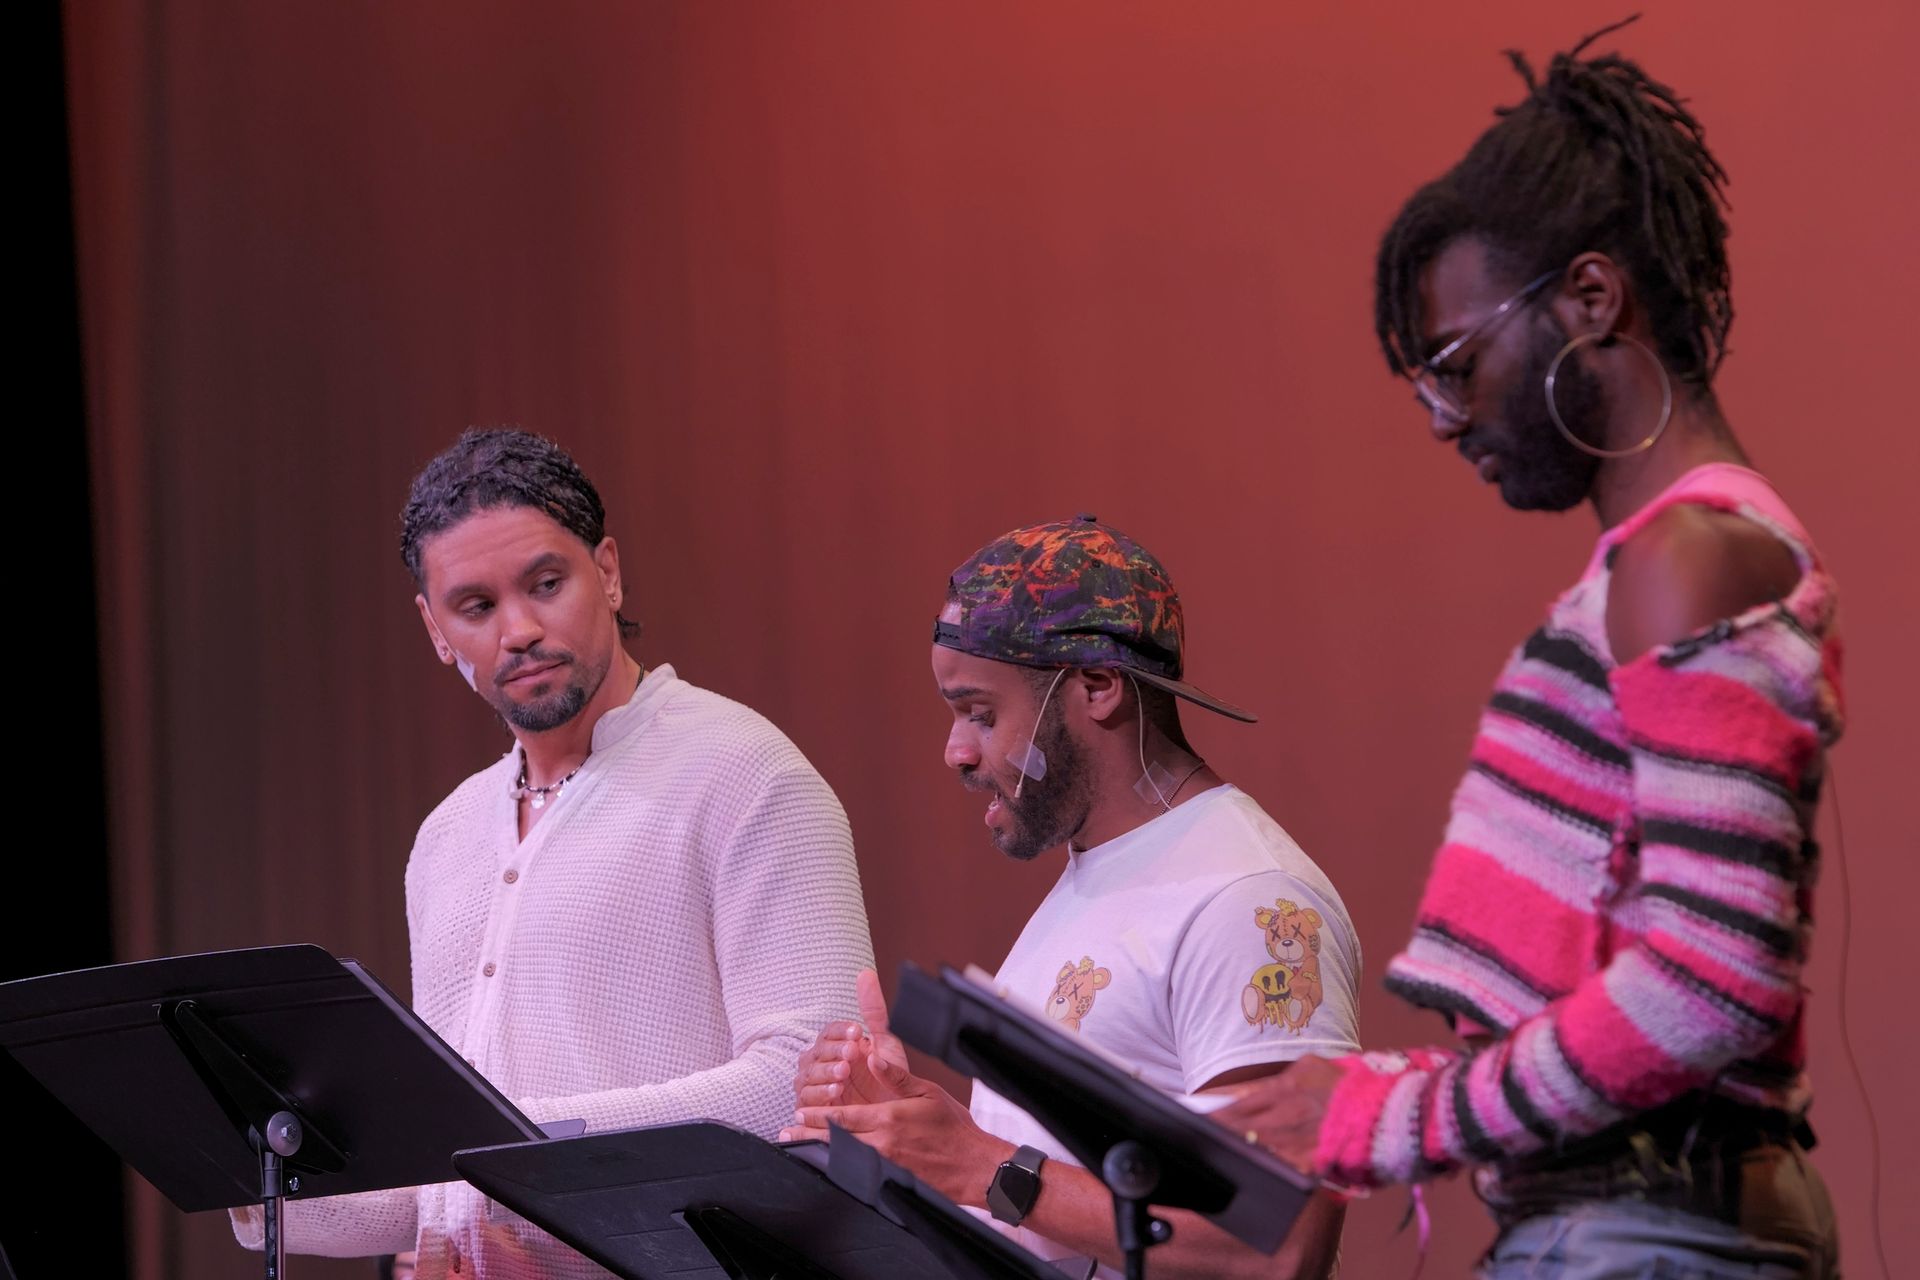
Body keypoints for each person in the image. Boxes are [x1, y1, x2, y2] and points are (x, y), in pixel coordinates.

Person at [1217, 21, 1844, 1279]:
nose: (1448, 418)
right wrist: (1375, 1087)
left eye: (1456, 361)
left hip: (1647, 1232)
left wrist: (1394, 1113)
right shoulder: (1673, 561)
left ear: (1592, 296)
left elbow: (1710, 982)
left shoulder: (1688, 560)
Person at [234, 428, 873, 1277]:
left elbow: (808, 1091)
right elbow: (445, 1168)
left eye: (546, 583)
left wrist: (516, 1151)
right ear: (434, 627)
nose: (521, 629)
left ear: (607, 571)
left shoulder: (747, 774)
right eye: (476, 606)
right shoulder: (447, 837)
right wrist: (254, 1173)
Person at [785, 517, 1358, 1279]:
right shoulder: (1101, 872)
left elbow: (1281, 1246)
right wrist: (921, 1125)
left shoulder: (1248, 901)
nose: (954, 751)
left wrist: (980, 1166)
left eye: (980, 714)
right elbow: (1058, 1191)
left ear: (1096, 688)